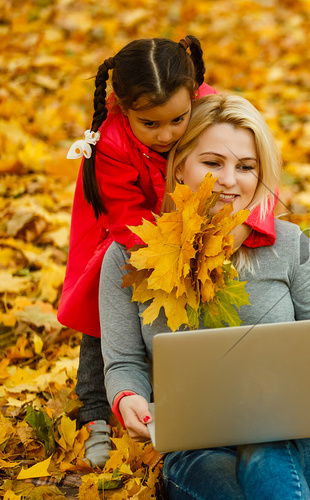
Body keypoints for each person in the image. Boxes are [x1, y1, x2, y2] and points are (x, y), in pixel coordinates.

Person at [98, 93, 310, 499]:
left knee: (266, 442)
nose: (230, 180)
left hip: (304, 435)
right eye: (213, 163)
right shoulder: (129, 254)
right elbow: (124, 362)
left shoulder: (292, 246)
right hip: (198, 443)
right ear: (180, 166)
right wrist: (128, 397)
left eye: (246, 167)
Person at [59, 37, 277, 468]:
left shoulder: (216, 113)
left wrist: (250, 222)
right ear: (123, 107)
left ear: (194, 95)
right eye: (150, 124)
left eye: (178, 120)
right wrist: (179, 248)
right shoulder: (112, 144)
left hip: (200, 222)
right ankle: (96, 412)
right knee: (104, 306)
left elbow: (260, 173)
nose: (167, 135)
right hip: (130, 231)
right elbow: (126, 218)